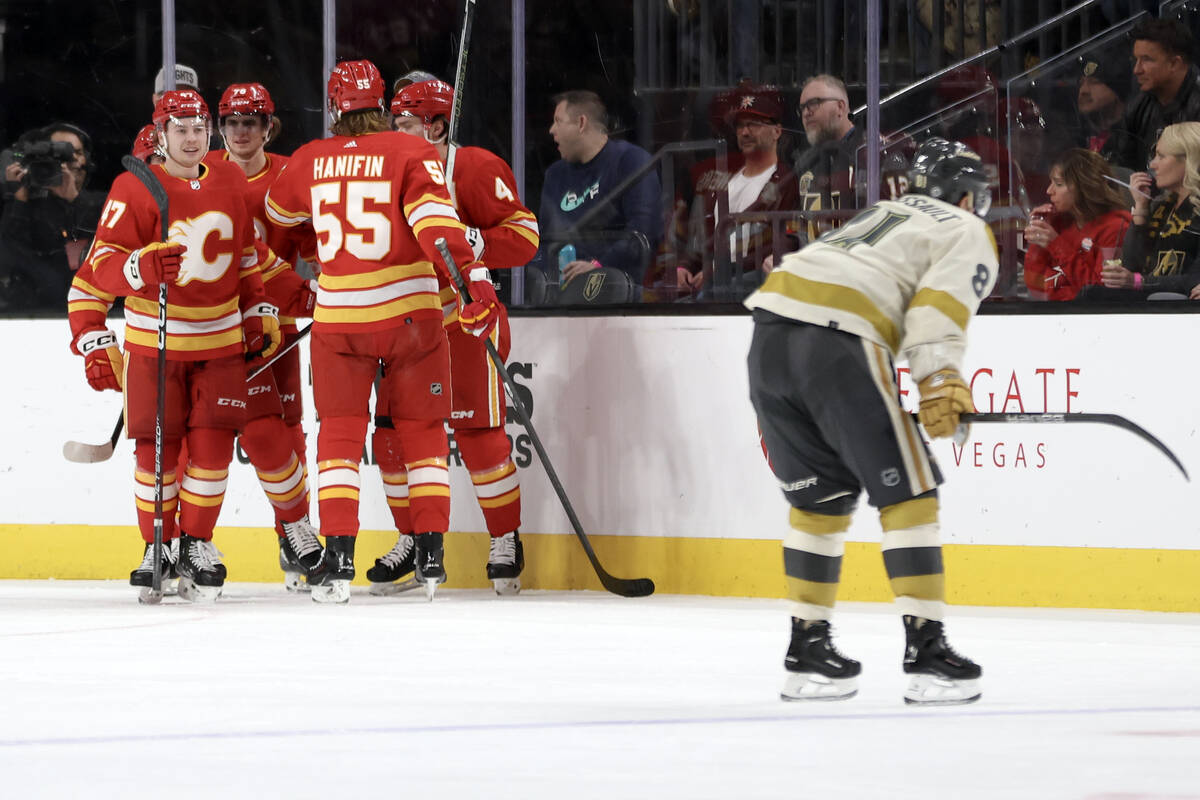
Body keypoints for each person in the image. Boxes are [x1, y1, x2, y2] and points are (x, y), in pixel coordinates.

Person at [744, 137, 994, 705]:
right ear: (965, 195)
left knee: (819, 502)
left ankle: (808, 653)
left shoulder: (880, 212)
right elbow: (937, 313)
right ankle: (927, 653)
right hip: (836, 341)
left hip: (768, 335)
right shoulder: (964, 228)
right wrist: (937, 380)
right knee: (910, 494)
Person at [263, 59, 499, 604]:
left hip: (341, 318)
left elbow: (278, 211)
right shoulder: (411, 152)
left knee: (339, 437)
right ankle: (432, 555)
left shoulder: (307, 159)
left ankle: (339, 557)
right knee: (424, 434)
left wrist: (320, 240)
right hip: (411, 317)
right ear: (382, 108)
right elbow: (439, 231)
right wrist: (474, 288)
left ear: (333, 109)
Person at [80, 89, 280, 603]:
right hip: (156, 344)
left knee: (212, 450)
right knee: (156, 453)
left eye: (198, 129)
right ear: (162, 134)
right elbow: (97, 267)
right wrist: (137, 268)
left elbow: (246, 257)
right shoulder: (134, 186)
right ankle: (158, 545)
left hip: (220, 343)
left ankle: (196, 542)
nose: (191, 139)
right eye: (180, 130)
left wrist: (258, 307)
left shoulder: (230, 178)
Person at [373, 76, 539, 595]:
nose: (395, 134)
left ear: (437, 125)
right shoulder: (385, 170)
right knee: (392, 439)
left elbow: (525, 238)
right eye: (392, 124)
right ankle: (411, 539)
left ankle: (504, 538)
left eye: (405, 124)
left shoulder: (472, 167)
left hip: (464, 317)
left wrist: (469, 238)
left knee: (479, 435)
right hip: (403, 321)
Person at [209, 81, 324, 590]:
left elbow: (316, 237)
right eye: (232, 122)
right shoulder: (201, 171)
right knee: (219, 436)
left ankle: (291, 537)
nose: (240, 131)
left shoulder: (288, 173)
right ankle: (187, 543)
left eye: (250, 122)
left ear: (267, 126)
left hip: (279, 325)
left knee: (289, 429)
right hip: (214, 329)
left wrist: (326, 278)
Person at [677, 82, 797, 294]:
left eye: (754, 124)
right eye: (740, 126)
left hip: (751, 285)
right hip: (715, 283)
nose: (745, 132)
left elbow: (781, 241)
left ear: (777, 131)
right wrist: (685, 266)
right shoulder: (721, 182)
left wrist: (717, 271)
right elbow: (703, 237)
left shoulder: (788, 181)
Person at [534, 89, 662, 287]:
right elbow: (545, 242)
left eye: (558, 121)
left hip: (618, 292)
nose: (551, 130)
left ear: (581, 123)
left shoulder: (630, 161)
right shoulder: (555, 175)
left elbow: (644, 232)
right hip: (559, 296)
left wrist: (600, 265)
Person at [0, 122, 105, 311]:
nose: (66, 161)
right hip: (34, 313)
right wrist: (19, 200)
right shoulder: (25, 207)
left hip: (91, 308)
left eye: (75, 153)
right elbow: (9, 258)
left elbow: (104, 249)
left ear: (86, 161)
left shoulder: (103, 203)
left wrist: (75, 200)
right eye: (55, 153)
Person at [1096, 122, 1200, 299]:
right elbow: (1130, 265)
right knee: (1092, 294)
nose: (1152, 165)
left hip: (1179, 310)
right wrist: (1141, 208)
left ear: (1188, 160)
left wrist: (1139, 282)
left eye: (1161, 156)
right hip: (1148, 303)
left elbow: (1195, 278)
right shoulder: (1160, 206)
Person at [1022, 148, 1131, 301]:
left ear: (1084, 187)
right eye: (1051, 182)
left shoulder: (1116, 228)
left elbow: (1099, 294)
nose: (1049, 191)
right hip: (1052, 315)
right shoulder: (1059, 224)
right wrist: (1042, 231)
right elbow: (1034, 283)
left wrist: (1056, 245)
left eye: (1058, 184)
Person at [1114, 19, 1200, 172]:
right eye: (1136, 60)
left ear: (1174, 63)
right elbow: (1125, 170)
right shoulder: (1137, 107)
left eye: (1146, 60)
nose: (1136, 70)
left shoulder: (1196, 104)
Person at [793, 74, 862, 240]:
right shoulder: (805, 162)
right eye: (802, 108)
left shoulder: (869, 152)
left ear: (840, 107)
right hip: (814, 259)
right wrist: (785, 250)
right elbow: (797, 222)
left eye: (814, 103)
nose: (806, 113)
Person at [1078, 56, 1132, 163]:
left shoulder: (1131, 138)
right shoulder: (1079, 136)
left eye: (1094, 82)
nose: (1083, 91)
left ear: (1117, 91)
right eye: (1081, 83)